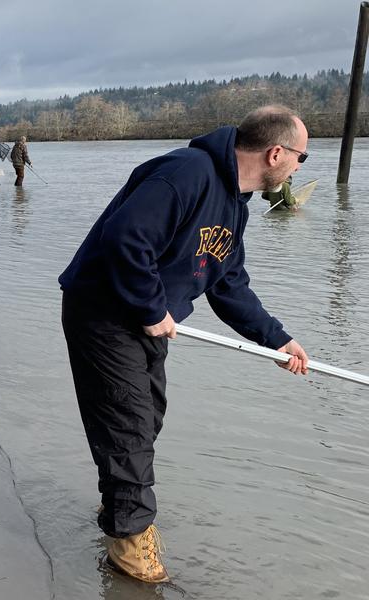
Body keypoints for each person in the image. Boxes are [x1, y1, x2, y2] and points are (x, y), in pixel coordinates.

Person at [58, 105, 310, 584]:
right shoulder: (187, 172)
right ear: (276, 153)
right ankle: (130, 545)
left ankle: (120, 503)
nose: (299, 168)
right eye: (302, 158)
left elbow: (229, 285)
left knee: (146, 418)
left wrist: (279, 340)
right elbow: (126, 238)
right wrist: (153, 308)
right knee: (128, 425)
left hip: (147, 320)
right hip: (105, 312)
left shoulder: (236, 205)